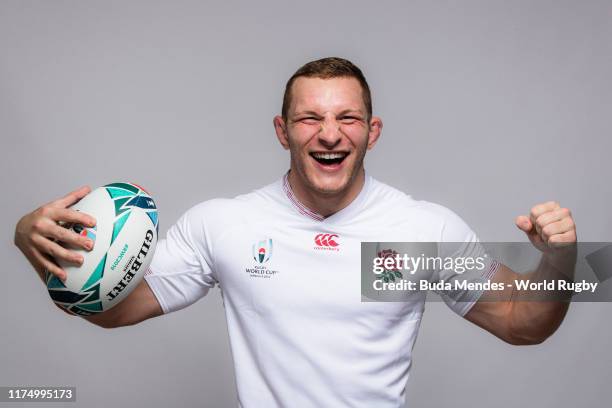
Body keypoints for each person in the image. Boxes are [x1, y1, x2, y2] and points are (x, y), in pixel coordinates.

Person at [14, 57, 577, 407]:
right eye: (310, 118)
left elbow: (522, 324)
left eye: (348, 118)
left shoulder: (420, 228)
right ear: (283, 130)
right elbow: (107, 308)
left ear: (372, 131)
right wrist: (26, 239)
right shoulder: (225, 222)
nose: (330, 134)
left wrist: (562, 263)